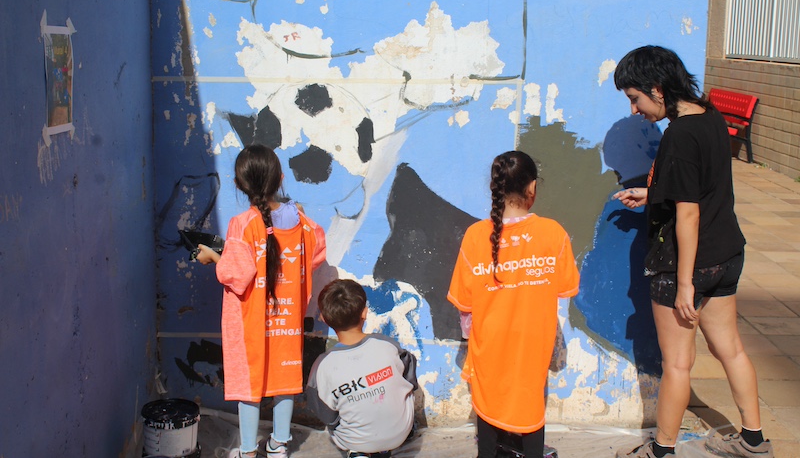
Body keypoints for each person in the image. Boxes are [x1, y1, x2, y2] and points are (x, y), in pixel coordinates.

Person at [612, 46, 772, 458]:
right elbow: (701, 186)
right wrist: (652, 194)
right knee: (730, 349)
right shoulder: (711, 116)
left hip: (687, 266)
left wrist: (684, 284)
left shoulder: (679, 135)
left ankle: (661, 451)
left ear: (657, 88)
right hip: (726, 254)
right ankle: (754, 441)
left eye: (635, 98)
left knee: (678, 364)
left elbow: (688, 215)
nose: (634, 109)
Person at [196, 144, 326, 458]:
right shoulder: (302, 222)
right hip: (288, 321)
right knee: (285, 378)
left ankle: (247, 450)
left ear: (239, 184)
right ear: (281, 178)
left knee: (249, 383)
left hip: (250, 323)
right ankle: (279, 445)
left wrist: (213, 257)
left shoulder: (242, 224)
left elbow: (238, 274)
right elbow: (316, 255)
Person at [447, 150, 580, 458]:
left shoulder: (475, 236)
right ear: (532, 187)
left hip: (489, 343)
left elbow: (464, 303)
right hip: (533, 343)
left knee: (488, 404)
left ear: (496, 187)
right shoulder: (553, 233)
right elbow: (566, 287)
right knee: (531, 403)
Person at [306, 278, 418, 458]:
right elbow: (410, 378)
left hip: (355, 439)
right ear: (365, 313)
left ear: (324, 319)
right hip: (400, 434)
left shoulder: (322, 366)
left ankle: (358, 451)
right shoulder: (387, 345)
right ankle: (388, 443)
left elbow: (326, 414)